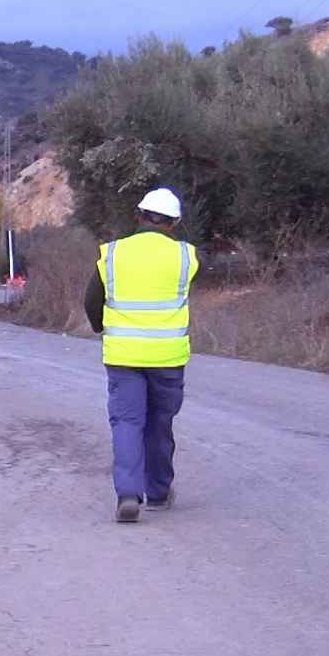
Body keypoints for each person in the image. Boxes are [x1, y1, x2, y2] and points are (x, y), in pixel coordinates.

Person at [85, 187, 199, 523]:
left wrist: (99, 327)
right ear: (174, 222)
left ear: (139, 216)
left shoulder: (113, 253)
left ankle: (128, 495)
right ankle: (159, 493)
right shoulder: (185, 256)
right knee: (159, 424)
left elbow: (92, 300)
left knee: (127, 423)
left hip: (123, 355)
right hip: (167, 357)